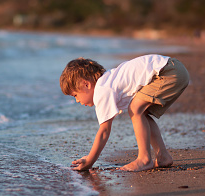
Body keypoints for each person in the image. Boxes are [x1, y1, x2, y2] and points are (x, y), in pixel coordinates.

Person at [59, 54, 189, 172]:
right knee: (141, 112)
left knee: (135, 109)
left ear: (86, 84)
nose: (77, 100)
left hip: (167, 72)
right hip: (175, 69)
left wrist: (90, 161)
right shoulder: (110, 80)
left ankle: (144, 159)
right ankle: (163, 156)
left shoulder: (102, 90)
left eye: (75, 95)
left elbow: (104, 131)